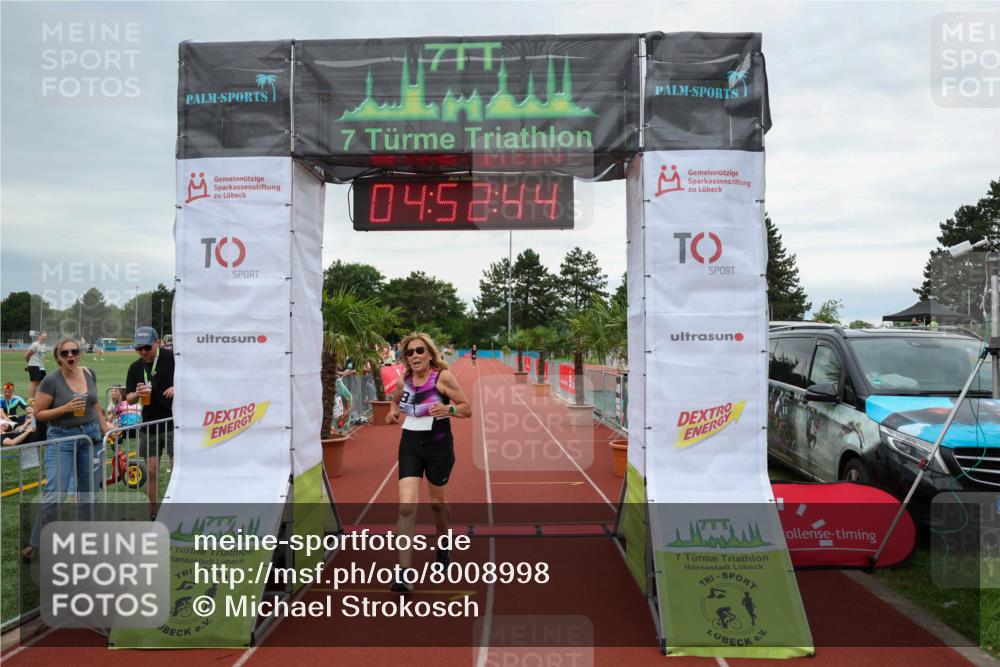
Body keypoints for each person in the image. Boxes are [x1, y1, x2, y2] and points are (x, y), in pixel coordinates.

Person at [385, 333, 471, 592]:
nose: (414, 356)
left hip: (438, 444)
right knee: (406, 506)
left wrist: (449, 409)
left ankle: (443, 546)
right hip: (410, 444)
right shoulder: (404, 380)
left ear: (430, 354)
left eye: (419, 350)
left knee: (437, 504)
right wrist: (393, 413)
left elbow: (466, 408)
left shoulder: (442, 377)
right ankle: (403, 573)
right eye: (409, 352)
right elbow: (394, 402)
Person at [22, 337, 110, 561]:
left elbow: (94, 403)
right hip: (62, 439)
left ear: (80, 353)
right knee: (56, 492)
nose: (70, 356)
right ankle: (36, 543)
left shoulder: (89, 373)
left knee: (89, 492)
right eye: (65, 353)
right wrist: (65, 408)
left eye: (74, 352)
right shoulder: (51, 380)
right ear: (58, 357)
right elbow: (39, 413)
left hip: (90, 437)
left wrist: (104, 425)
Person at [125, 327, 175, 520]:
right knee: (151, 471)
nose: (143, 352)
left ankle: (176, 511)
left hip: (172, 422)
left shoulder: (172, 358)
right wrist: (136, 394)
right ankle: (153, 513)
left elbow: (190, 380)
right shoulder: (135, 367)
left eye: (147, 347)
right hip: (149, 425)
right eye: (139, 348)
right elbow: (129, 399)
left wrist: (177, 387)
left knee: (176, 470)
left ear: (157, 343)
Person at [24, 332, 48, 402]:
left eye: (45, 336)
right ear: (39, 336)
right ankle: (31, 398)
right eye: (43, 336)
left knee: (42, 381)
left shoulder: (44, 345)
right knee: (34, 382)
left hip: (41, 366)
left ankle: (37, 396)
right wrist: (28, 363)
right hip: (34, 365)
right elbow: (27, 355)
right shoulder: (35, 345)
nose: (44, 338)